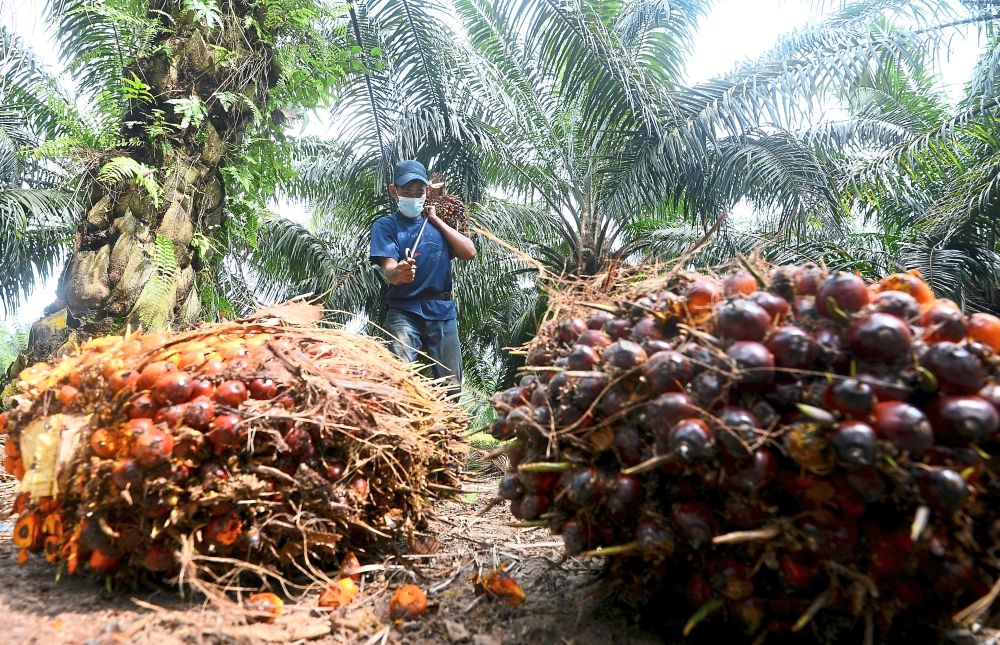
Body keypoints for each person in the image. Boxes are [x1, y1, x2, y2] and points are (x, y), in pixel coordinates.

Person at [369, 160, 476, 394]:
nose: (414, 196)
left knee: (452, 388)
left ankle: (445, 429)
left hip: (442, 310)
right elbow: (389, 270)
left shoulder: (439, 225)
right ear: (393, 190)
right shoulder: (385, 226)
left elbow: (469, 252)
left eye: (419, 191)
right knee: (400, 378)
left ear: (427, 192)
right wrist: (399, 273)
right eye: (407, 192)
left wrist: (436, 220)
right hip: (404, 310)